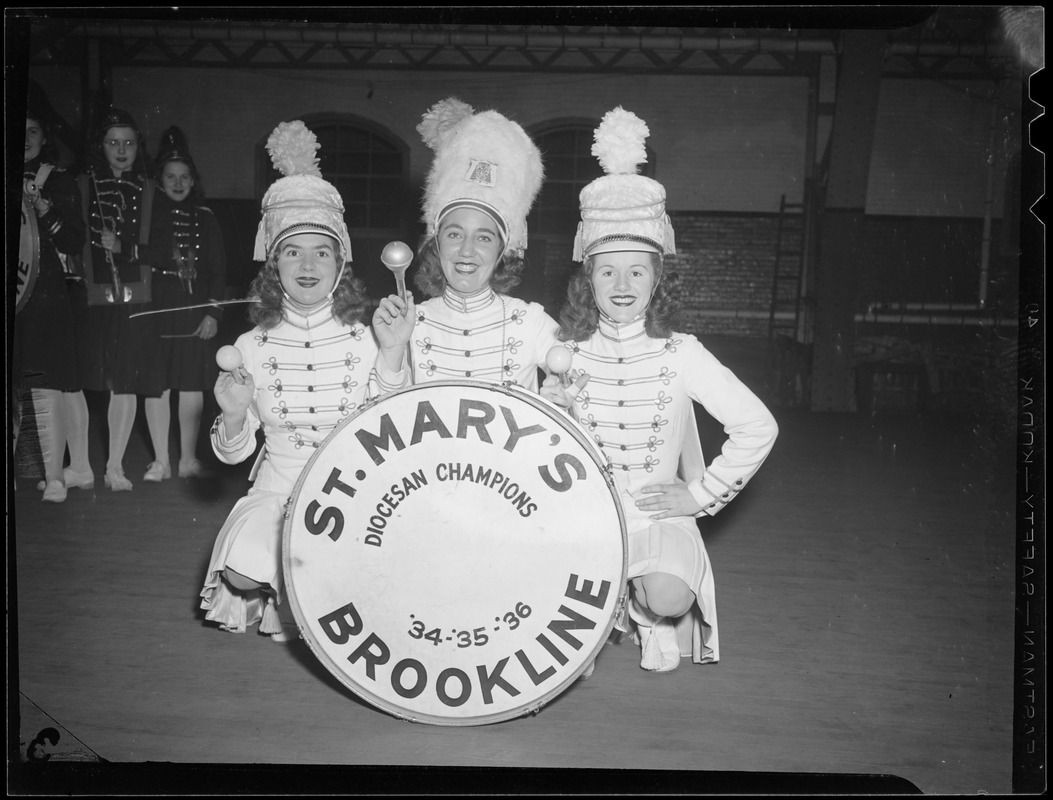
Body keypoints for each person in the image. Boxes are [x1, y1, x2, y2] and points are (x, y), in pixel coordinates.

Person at [541, 108, 779, 673]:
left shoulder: (681, 352)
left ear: (657, 278)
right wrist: (550, 413)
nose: (622, 284)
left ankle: (649, 615)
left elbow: (758, 425)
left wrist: (700, 495)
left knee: (670, 595)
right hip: (585, 514)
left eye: (637, 271)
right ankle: (606, 612)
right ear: (588, 279)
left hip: (655, 515)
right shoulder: (563, 350)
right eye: (607, 271)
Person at [199, 120, 414, 640]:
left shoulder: (370, 335)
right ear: (274, 263)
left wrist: (392, 353)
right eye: (293, 251)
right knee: (241, 570)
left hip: (356, 497)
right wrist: (233, 415)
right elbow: (233, 456)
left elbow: (397, 423)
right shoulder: (250, 344)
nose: (308, 264)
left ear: (341, 262)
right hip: (278, 489)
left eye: (322, 251)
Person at [409, 98, 559, 390]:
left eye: (484, 237)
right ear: (435, 243)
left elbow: (581, 381)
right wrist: (392, 352)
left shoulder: (532, 322)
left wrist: (564, 398)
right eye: (454, 234)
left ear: (503, 249)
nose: (466, 251)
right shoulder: (411, 323)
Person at [137, 126, 227, 481]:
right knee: (156, 384)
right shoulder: (147, 217)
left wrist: (213, 312)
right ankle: (160, 461)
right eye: (170, 177)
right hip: (156, 306)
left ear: (193, 180)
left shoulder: (206, 217)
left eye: (184, 177)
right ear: (159, 180)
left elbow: (218, 269)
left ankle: (187, 459)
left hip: (194, 309)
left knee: (191, 385)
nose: (178, 183)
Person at [78, 108, 154, 491]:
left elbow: (159, 249)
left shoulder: (150, 190)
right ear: (101, 146)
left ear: (138, 147)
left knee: (124, 382)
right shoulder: (83, 185)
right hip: (91, 299)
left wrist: (123, 248)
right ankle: (78, 466)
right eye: (113, 143)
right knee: (88, 381)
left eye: (129, 143)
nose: (121, 150)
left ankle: (115, 467)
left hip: (134, 299)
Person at [18, 108, 86, 502]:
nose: (25, 138)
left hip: (44, 293)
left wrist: (44, 206)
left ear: (45, 137)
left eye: (33, 131)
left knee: (44, 382)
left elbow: (74, 240)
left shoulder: (57, 179)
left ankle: (56, 477)